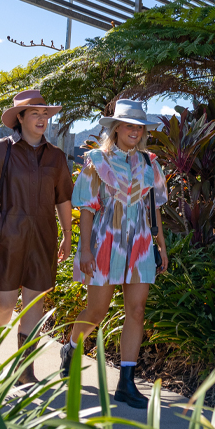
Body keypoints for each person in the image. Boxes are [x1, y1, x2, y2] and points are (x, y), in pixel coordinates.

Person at [60, 99, 169, 409]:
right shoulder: (97, 161)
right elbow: (87, 208)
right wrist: (84, 249)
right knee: (97, 311)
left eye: (139, 126)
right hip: (106, 242)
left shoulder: (150, 163)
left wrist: (161, 245)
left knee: (137, 310)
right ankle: (71, 345)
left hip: (140, 244)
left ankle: (126, 382)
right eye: (129, 125)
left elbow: (154, 208)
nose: (134, 131)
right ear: (117, 127)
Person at [0, 89, 74, 385]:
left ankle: (25, 371)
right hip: (9, 236)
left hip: (43, 236)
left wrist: (68, 235)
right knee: (4, 307)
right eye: (35, 113)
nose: (42, 118)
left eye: (45, 114)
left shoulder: (56, 156)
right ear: (20, 118)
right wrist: (0, 223)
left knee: (34, 305)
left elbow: (63, 199)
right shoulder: (0, 149)